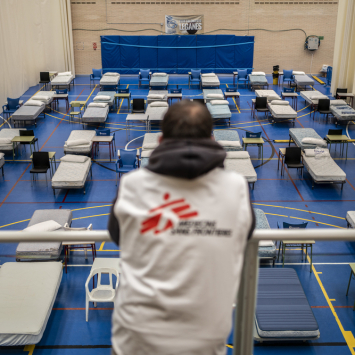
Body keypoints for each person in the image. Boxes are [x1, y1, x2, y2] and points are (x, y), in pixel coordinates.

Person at [108, 100, 255, 355]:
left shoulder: (132, 184)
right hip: (205, 341)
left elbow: (118, 235)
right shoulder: (236, 187)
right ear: (212, 138)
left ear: (161, 140)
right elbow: (244, 235)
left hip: (136, 340)